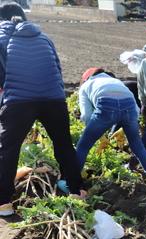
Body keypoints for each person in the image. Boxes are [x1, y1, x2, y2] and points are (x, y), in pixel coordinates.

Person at [0, 2, 86, 216]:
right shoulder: (44, 37)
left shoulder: (1, 37)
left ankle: (3, 204)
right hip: (54, 100)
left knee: (8, 150)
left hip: (19, 101)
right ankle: (77, 191)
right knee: (64, 144)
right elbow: (57, 67)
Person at [74, 68, 146, 193]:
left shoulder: (86, 85)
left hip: (106, 106)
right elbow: (135, 109)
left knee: (83, 146)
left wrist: (99, 135)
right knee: (138, 147)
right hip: (130, 109)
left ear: (85, 79)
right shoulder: (117, 82)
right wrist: (126, 126)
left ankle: (72, 184)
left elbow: (86, 116)